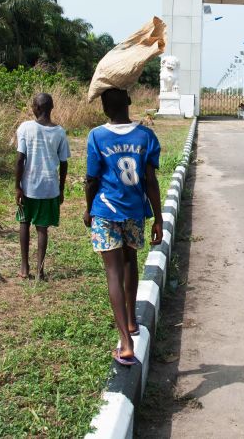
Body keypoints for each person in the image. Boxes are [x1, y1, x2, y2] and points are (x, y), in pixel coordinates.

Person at [84, 88, 163, 366]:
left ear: (104, 107)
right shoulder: (146, 136)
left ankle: (126, 344)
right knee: (131, 262)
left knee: (113, 273)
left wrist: (87, 209)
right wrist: (158, 218)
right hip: (134, 212)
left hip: (106, 212)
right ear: (129, 102)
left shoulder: (96, 136)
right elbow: (150, 181)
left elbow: (92, 179)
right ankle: (131, 322)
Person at [15, 93, 70, 281]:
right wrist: (61, 189)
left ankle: (24, 267)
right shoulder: (60, 132)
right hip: (49, 187)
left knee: (24, 222)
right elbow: (64, 163)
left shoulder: (25, 128)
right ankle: (40, 270)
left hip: (28, 186)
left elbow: (20, 159)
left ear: (36, 108)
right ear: (51, 108)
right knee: (42, 229)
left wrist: (17, 187)